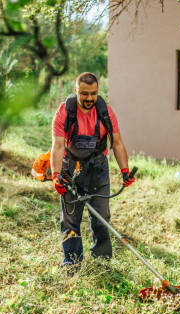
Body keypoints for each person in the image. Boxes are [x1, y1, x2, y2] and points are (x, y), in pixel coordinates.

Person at [50, 72, 135, 268]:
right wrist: (56, 175)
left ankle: (102, 259)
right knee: (70, 218)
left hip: (98, 167)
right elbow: (58, 146)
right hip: (71, 168)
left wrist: (125, 171)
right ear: (76, 91)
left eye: (94, 94)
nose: (89, 98)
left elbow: (117, 143)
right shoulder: (64, 112)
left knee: (101, 215)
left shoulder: (105, 112)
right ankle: (72, 262)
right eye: (85, 94)